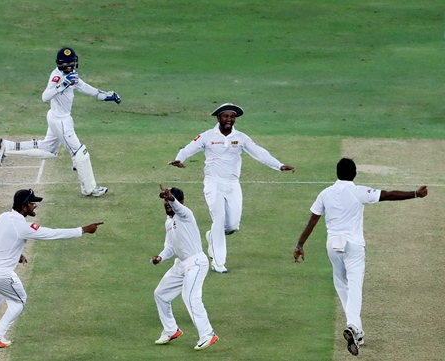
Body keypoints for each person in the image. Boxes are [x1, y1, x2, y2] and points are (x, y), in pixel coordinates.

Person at [293, 158, 428, 356]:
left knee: (342, 285)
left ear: (337, 173)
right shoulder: (358, 192)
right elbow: (388, 195)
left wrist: (299, 245)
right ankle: (353, 327)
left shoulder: (325, 193)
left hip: (333, 245)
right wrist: (415, 194)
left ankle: (358, 332)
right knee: (354, 287)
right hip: (354, 245)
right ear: (354, 174)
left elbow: (312, 221)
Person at [0, 188, 104, 349]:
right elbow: (52, 234)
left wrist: (17, 254)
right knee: (19, 301)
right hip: (0, 274)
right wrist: (83, 230)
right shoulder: (24, 227)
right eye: (32, 203)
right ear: (24, 206)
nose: (35, 206)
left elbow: (2, 239)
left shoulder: (3, 217)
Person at [169, 103, 295, 274]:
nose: (229, 119)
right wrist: (179, 159)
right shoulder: (207, 136)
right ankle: (218, 262)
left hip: (233, 184)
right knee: (219, 218)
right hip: (213, 182)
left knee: (232, 225)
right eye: (226, 116)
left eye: (232, 117)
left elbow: (259, 152)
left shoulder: (241, 137)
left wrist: (279, 166)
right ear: (218, 118)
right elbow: (188, 148)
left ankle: (213, 236)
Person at [0, 47, 121, 197]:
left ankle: (7, 146)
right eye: (66, 65)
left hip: (59, 118)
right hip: (60, 122)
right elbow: (44, 97)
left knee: (47, 149)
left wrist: (104, 94)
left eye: (71, 64)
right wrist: (62, 84)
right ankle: (89, 188)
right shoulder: (56, 77)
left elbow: (83, 87)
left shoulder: (71, 75)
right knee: (81, 153)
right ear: (60, 65)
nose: (69, 67)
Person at [152, 184, 218, 351]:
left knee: (190, 297)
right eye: (165, 202)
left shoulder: (186, 214)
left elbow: (177, 207)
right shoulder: (169, 222)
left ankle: (208, 334)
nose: (166, 204)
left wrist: (171, 199)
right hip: (180, 264)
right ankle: (171, 330)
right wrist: (160, 257)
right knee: (160, 294)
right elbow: (170, 247)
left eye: (169, 201)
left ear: (180, 201)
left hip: (195, 263)